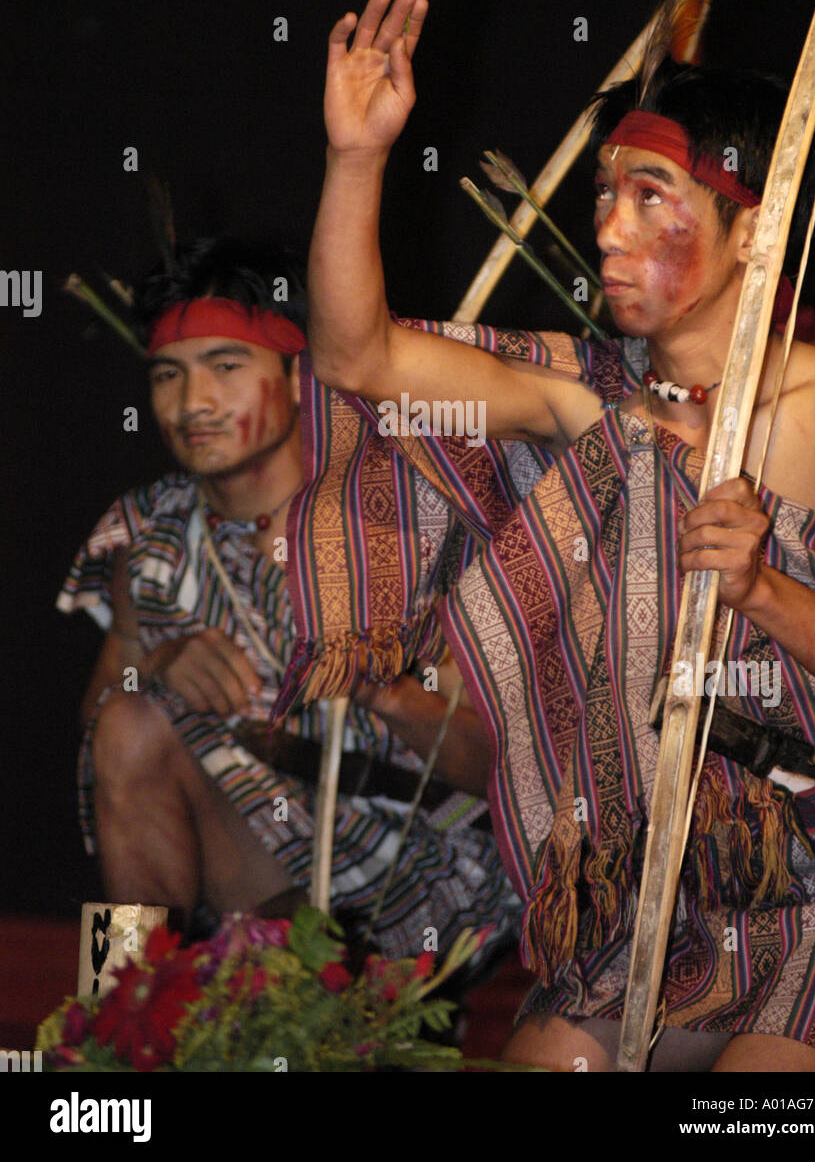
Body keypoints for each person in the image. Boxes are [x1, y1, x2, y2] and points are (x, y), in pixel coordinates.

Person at [289, 0, 815, 1071]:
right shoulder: (595, 400)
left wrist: (765, 592)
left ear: (759, 226)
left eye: (653, 198)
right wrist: (357, 155)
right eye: (608, 195)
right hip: (658, 900)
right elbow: (355, 362)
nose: (608, 226)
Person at [58, 234, 522, 963]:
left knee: (269, 972)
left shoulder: (401, 523)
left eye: (227, 366)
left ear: (301, 378)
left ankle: (263, 996)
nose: (192, 403)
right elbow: (100, 747)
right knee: (129, 723)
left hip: (420, 866)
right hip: (248, 862)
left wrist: (389, 693)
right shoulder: (148, 533)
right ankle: (116, 1001)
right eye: (167, 376)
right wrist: (157, 663)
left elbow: (504, 769)